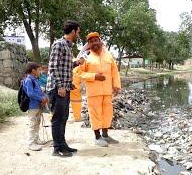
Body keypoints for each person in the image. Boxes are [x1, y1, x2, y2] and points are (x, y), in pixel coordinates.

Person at [78, 32, 121, 147]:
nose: (94, 43)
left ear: (100, 41)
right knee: (95, 114)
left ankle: (106, 135)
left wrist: (116, 85)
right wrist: (94, 76)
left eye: (96, 40)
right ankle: (97, 137)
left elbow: (114, 71)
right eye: (91, 42)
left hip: (107, 91)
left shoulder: (108, 55)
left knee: (108, 113)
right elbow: (79, 73)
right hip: (93, 92)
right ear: (88, 44)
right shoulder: (85, 56)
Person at [46, 20, 81, 157]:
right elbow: (53, 67)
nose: (78, 34)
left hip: (64, 89)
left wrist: (77, 63)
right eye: (78, 31)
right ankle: (56, 148)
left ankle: (63, 145)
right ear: (73, 31)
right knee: (57, 119)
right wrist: (60, 86)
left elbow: (64, 68)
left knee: (64, 117)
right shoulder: (59, 44)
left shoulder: (68, 46)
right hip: (57, 89)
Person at [23, 62, 49, 151]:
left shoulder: (35, 79)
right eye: (38, 70)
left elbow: (39, 91)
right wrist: (41, 99)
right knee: (32, 124)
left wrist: (44, 97)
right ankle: (31, 143)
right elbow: (30, 93)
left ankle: (36, 139)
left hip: (38, 105)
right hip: (32, 106)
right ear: (33, 70)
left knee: (37, 123)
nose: (40, 71)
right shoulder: (28, 80)